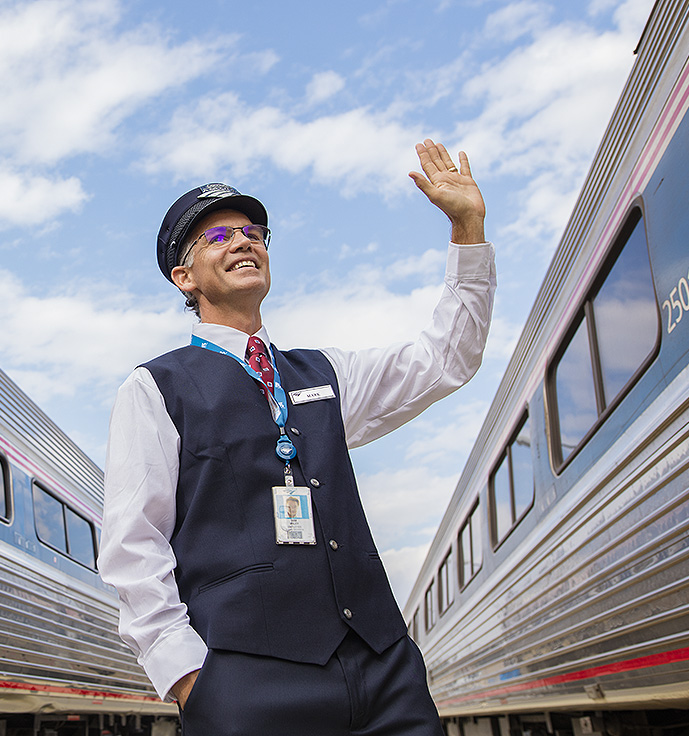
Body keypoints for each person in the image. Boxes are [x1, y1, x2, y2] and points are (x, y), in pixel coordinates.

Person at [99, 140, 494, 735]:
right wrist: (190, 680)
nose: (242, 240)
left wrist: (467, 228)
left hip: (384, 669)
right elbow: (135, 545)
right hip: (248, 683)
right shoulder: (156, 388)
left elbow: (448, 356)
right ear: (184, 278)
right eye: (216, 236)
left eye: (253, 231)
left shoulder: (324, 375)